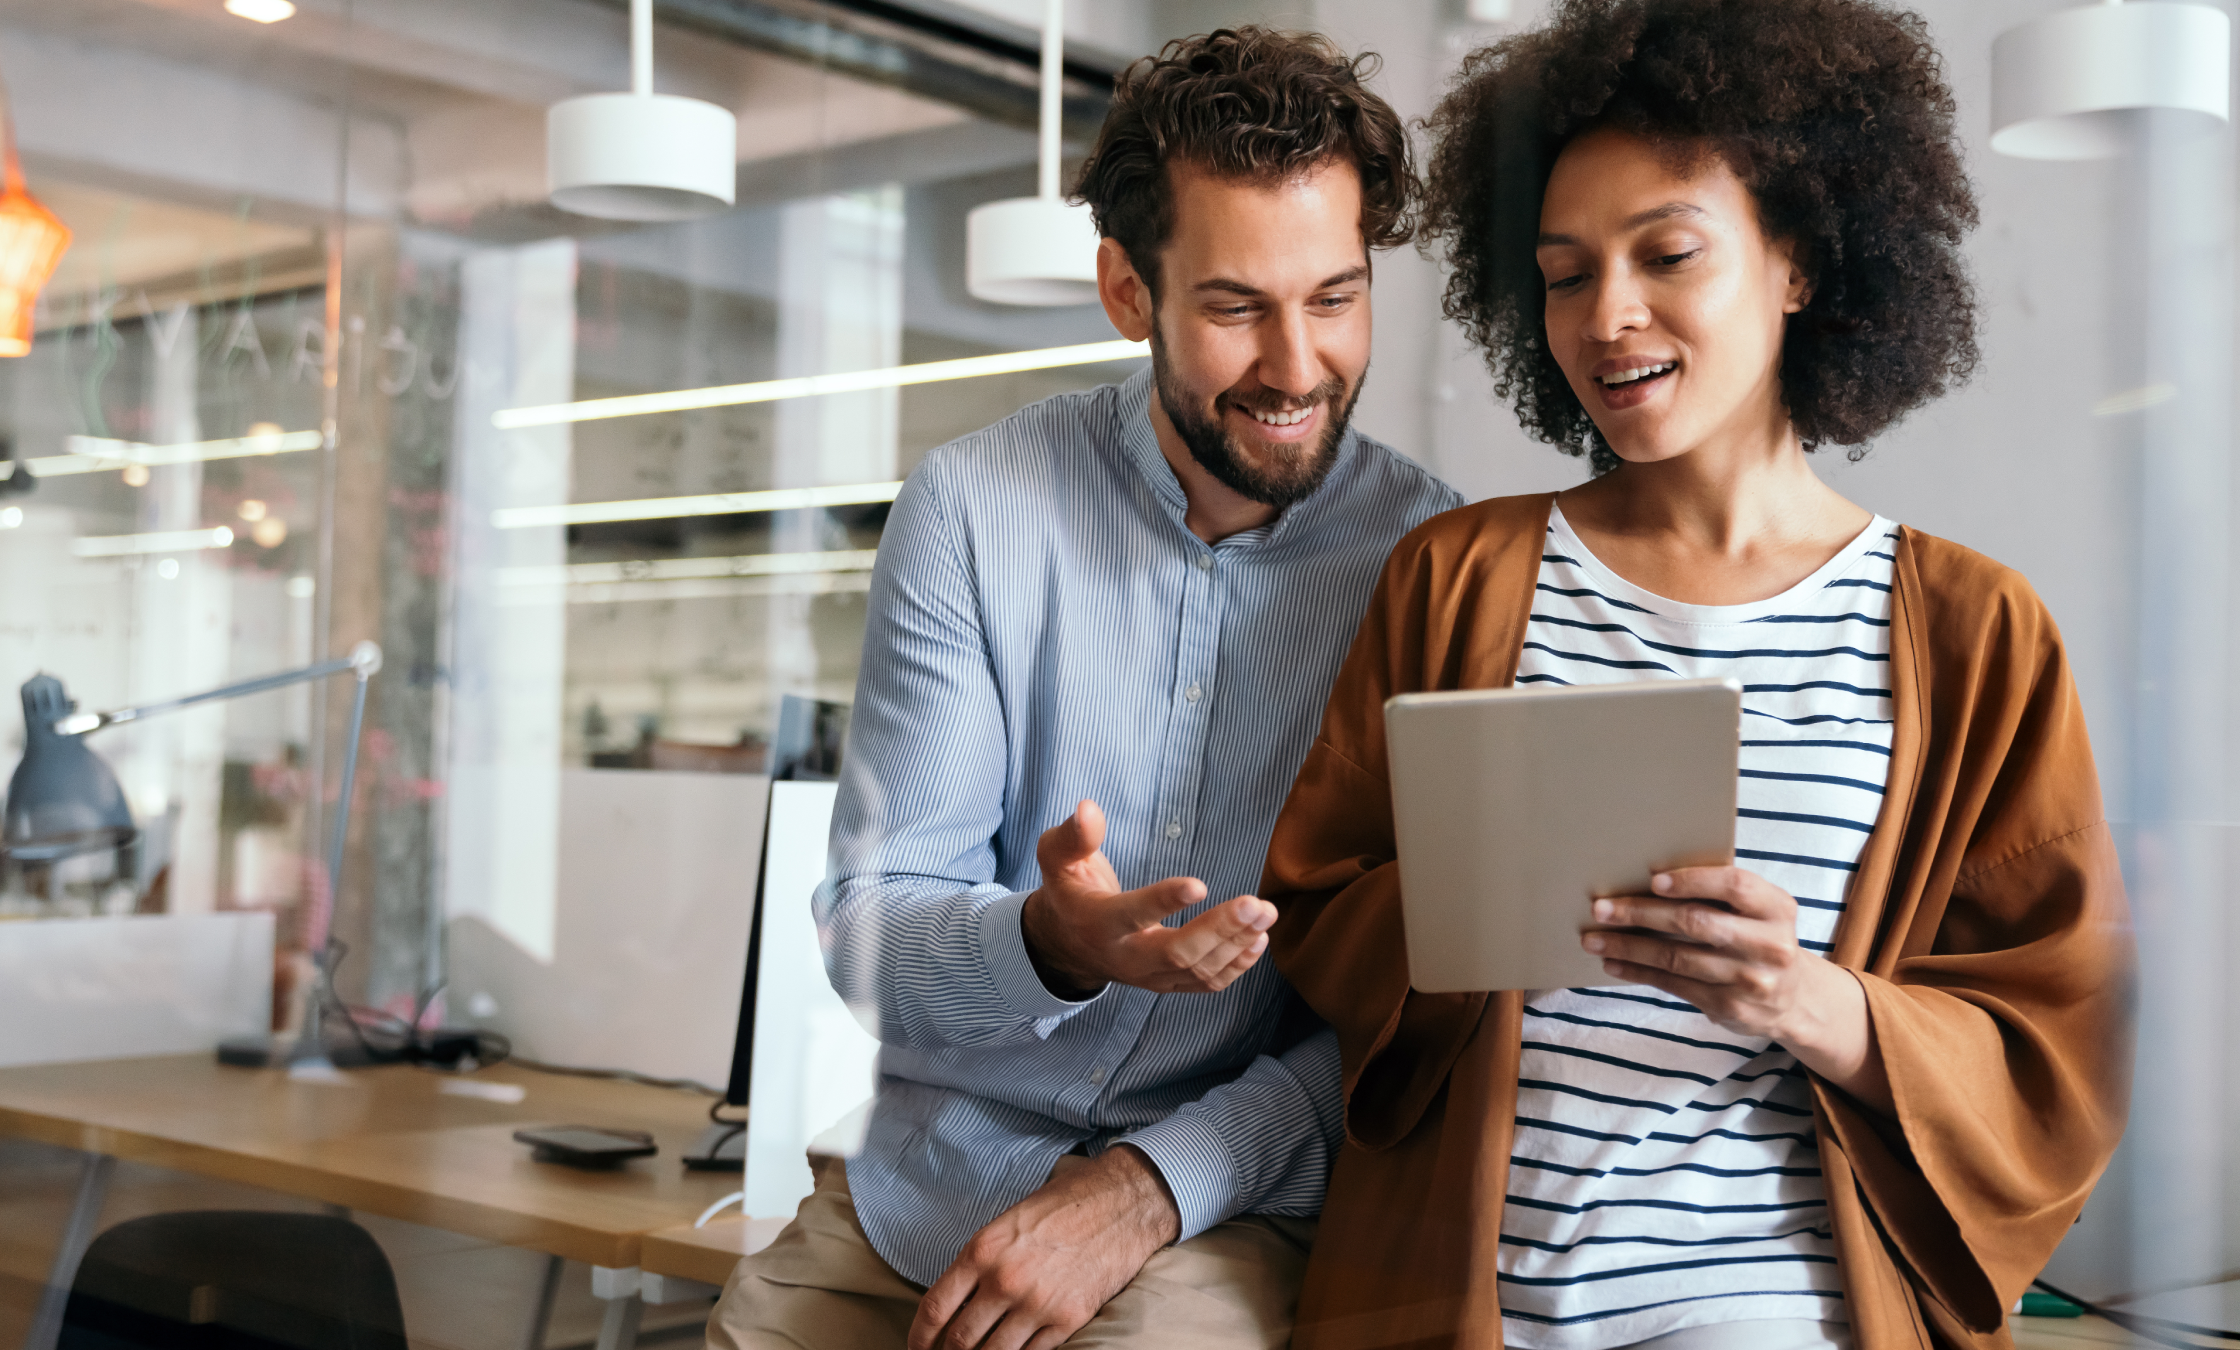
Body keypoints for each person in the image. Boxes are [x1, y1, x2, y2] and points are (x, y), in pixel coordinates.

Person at [1259, 1, 2135, 1348]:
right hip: (1458, 1294)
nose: (1607, 316)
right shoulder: (1455, 575)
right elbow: (1316, 910)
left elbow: (2054, 1038)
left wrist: (1802, 994)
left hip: (1772, 1304)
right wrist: (1475, 905)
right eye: (1562, 272)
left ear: (1798, 260)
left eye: (1667, 252)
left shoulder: (1976, 630)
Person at [702, 26, 1465, 1350]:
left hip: (1214, 1203)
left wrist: (1147, 1187)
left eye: (1335, 297)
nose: (1298, 364)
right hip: (924, 1187)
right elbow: (866, 931)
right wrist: (1053, 945)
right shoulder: (973, 509)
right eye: (1236, 307)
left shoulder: (1433, 562)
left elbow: (1418, 1008)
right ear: (1128, 290)